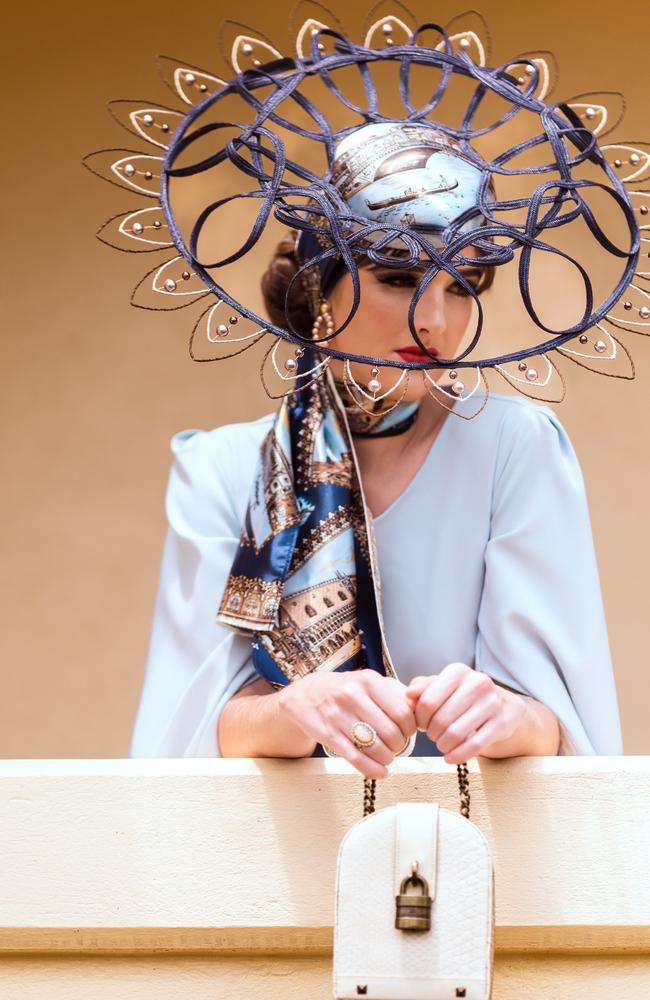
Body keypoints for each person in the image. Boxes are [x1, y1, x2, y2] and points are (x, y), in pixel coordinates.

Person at [83, 16, 641, 774]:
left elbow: (562, 729)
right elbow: (185, 735)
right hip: (275, 869)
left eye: (463, 285)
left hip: (468, 852)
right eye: (399, 277)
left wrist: (505, 714)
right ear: (321, 284)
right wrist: (293, 708)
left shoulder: (513, 447)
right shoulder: (220, 469)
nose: (436, 321)